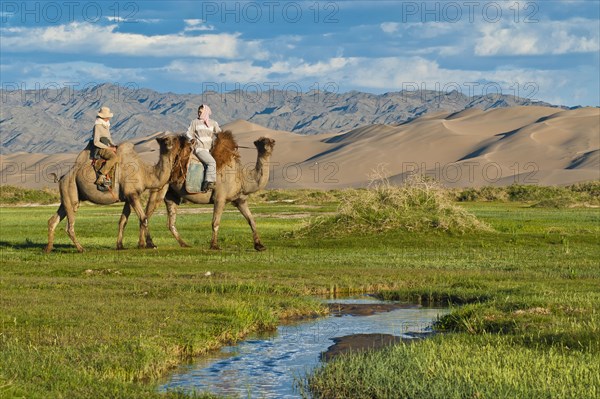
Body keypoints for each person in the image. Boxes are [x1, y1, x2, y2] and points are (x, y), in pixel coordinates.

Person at [185, 104, 221, 191]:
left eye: (201, 112)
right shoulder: (194, 122)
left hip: (209, 150)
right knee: (212, 162)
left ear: (206, 112)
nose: (199, 113)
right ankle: (208, 182)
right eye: (198, 111)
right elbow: (188, 133)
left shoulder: (213, 123)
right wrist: (192, 139)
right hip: (199, 149)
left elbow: (220, 133)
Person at [92, 106, 118, 185]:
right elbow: (96, 142)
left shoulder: (106, 125)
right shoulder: (98, 126)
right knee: (114, 158)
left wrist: (114, 146)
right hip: (101, 149)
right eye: (107, 117)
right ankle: (102, 175)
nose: (109, 118)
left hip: (107, 147)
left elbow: (109, 138)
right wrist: (109, 148)